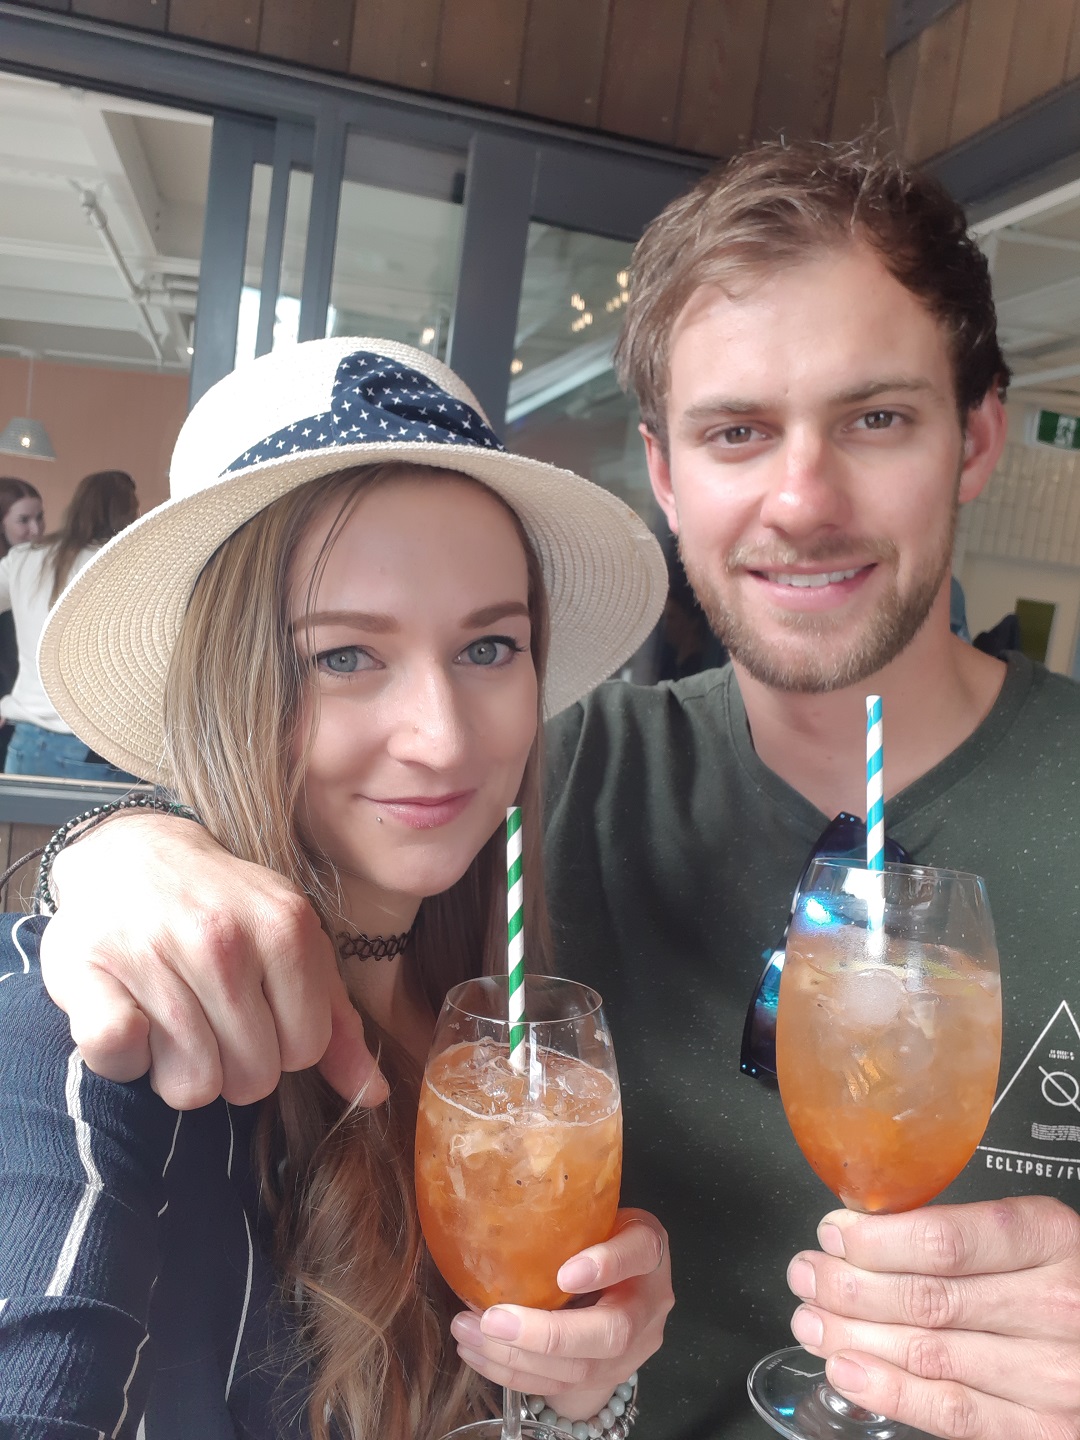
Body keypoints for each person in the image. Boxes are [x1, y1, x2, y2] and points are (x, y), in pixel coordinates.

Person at [35, 139, 1080, 1440]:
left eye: (877, 419)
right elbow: (304, 806)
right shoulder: (537, 786)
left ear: (977, 438)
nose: (802, 499)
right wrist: (113, 848)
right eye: (737, 431)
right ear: (665, 473)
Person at [0, 337, 672, 1439]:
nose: (442, 738)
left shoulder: (497, 1021)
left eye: (490, 647)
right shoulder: (96, 1028)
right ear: (231, 682)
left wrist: (582, 1392)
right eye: (344, 656)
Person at [0, 468, 138, 781]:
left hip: (27, 743)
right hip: (99, 743)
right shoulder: (125, 563)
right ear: (129, 511)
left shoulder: (23, 558)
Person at [0, 478, 44, 766]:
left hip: (24, 711)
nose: (36, 529)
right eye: (24, 520)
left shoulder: (39, 566)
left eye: (40, 517)